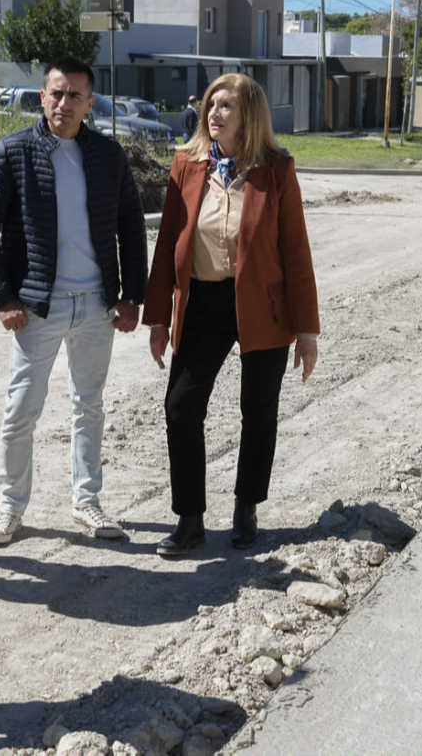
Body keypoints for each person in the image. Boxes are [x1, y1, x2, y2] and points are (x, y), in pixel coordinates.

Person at [143, 72, 320, 556]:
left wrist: (306, 331)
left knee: (258, 411)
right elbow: (168, 244)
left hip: (263, 306)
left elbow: (296, 252)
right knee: (181, 406)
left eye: (227, 106)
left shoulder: (276, 170)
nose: (214, 113)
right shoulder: (187, 164)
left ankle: (246, 508)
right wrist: (158, 318)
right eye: (211, 104)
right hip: (203, 301)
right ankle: (190, 520)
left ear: (250, 116)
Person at [0, 55, 148, 545]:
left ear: (90, 103)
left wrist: (132, 295)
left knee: (89, 407)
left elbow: (131, 227)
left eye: (75, 95)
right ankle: (10, 509)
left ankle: (87, 502)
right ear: (42, 97)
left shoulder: (108, 155)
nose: (64, 103)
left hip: (96, 305)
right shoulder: (14, 152)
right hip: (37, 309)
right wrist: (2, 297)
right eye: (56, 93)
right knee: (21, 410)